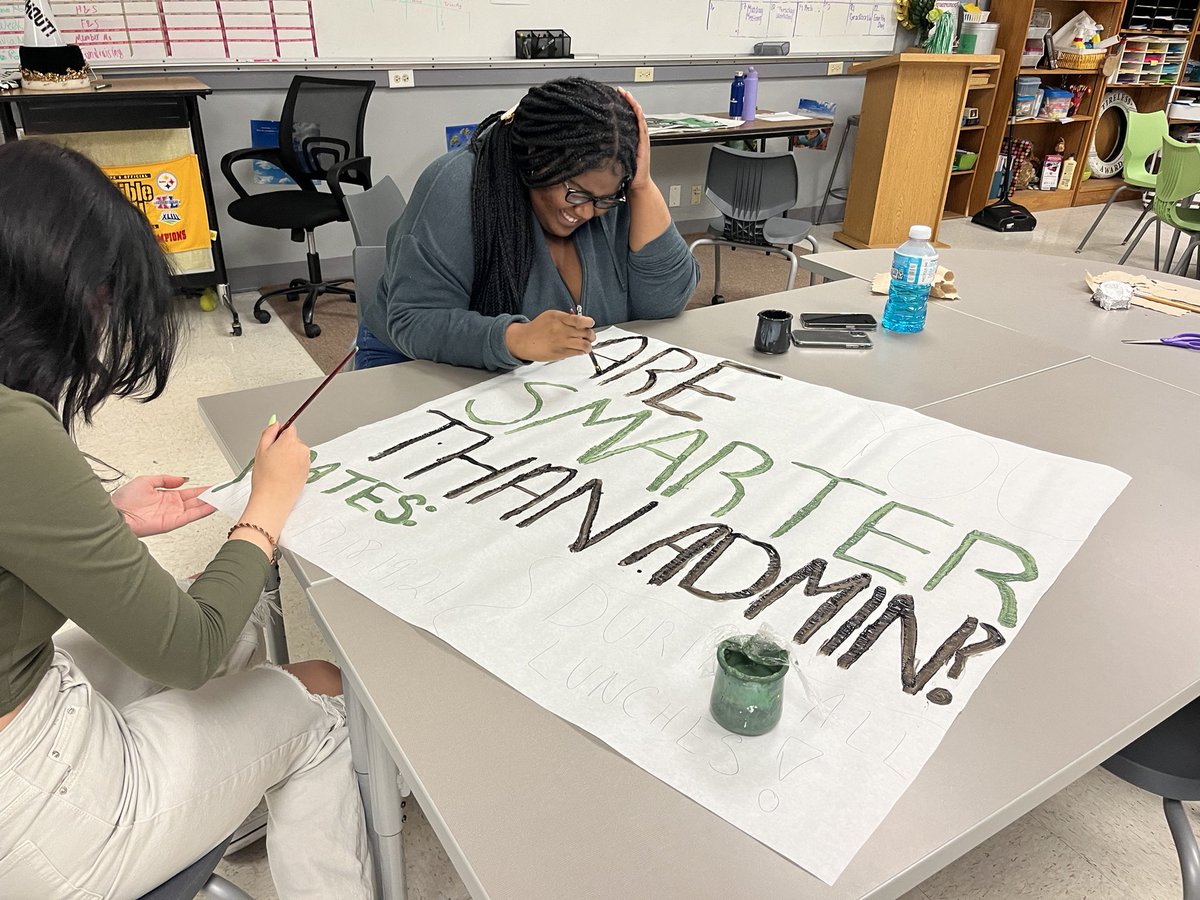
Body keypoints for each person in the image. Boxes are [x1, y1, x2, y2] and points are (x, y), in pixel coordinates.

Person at [0, 140, 373, 898]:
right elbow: (189, 654)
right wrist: (265, 508)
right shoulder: (13, 431)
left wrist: (103, 517)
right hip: (36, 812)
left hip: (25, 701)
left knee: (225, 614)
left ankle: (219, 778)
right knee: (320, 692)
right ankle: (248, 783)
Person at [356, 76, 700, 371]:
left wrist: (641, 186)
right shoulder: (457, 185)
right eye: (577, 194)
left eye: (604, 200)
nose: (586, 212)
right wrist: (517, 339)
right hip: (414, 363)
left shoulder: (614, 195)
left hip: (540, 377)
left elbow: (665, 302)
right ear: (537, 160)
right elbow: (415, 320)